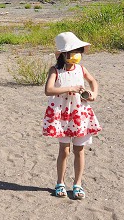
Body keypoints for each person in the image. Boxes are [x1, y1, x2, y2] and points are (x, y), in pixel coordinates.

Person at [42, 32, 101, 200]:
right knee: (64, 151)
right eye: (73, 51)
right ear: (63, 54)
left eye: (78, 51)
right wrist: (71, 89)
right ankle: (60, 182)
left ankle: (78, 184)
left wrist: (93, 94)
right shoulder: (55, 70)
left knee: (79, 150)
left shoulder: (81, 69)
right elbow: (49, 90)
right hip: (62, 115)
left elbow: (93, 81)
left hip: (80, 113)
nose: (77, 54)